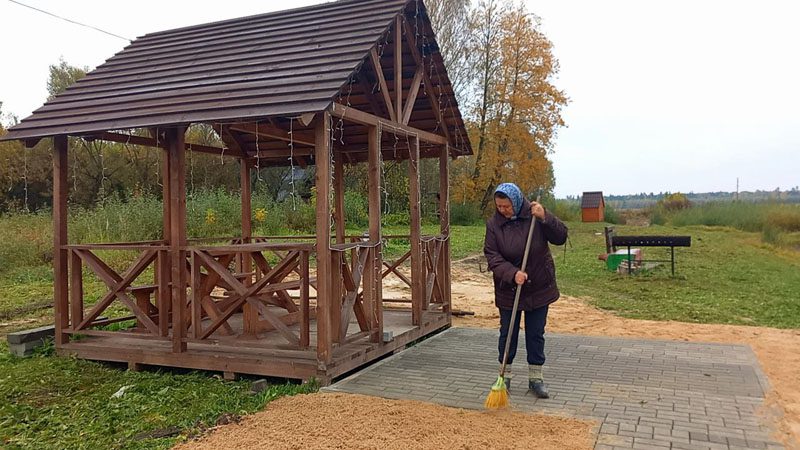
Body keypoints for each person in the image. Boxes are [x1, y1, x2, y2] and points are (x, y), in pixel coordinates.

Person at [483, 183, 568, 398]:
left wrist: (545, 216)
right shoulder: (494, 225)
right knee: (508, 333)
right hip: (509, 288)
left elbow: (561, 237)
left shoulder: (534, 215)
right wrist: (512, 273)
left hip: (539, 286)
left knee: (535, 334)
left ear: (517, 201)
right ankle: (505, 376)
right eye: (499, 206)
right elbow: (492, 256)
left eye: (507, 206)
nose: (503, 210)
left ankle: (536, 378)